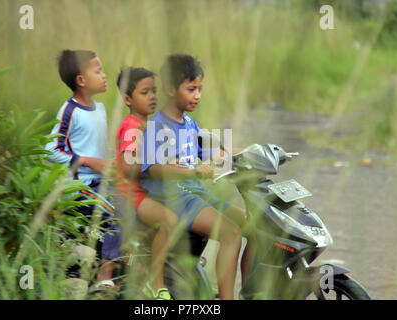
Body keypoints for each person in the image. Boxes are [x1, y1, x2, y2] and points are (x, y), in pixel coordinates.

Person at [140, 54, 255, 300]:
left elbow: (218, 151)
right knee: (231, 234)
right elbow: (154, 168)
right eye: (191, 89)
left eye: (200, 89)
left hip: (198, 195)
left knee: (255, 227)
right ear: (171, 89)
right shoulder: (157, 127)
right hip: (176, 198)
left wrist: (257, 153)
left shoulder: (190, 124)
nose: (197, 96)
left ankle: (250, 293)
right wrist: (191, 171)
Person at [45, 49, 124, 290]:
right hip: (80, 186)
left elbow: (97, 146)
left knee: (134, 203)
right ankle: (104, 276)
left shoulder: (99, 108)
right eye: (98, 71)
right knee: (115, 215)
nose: (104, 75)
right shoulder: (69, 111)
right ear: (81, 80)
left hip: (101, 182)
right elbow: (51, 150)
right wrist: (89, 161)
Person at [115, 67, 178, 300]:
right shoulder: (133, 127)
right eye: (145, 92)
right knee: (168, 221)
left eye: (154, 91)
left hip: (145, 191)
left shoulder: (148, 125)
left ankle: (179, 277)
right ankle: (157, 283)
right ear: (128, 99)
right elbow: (128, 167)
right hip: (131, 193)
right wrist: (153, 168)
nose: (152, 96)